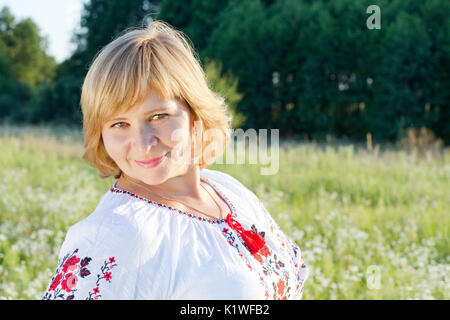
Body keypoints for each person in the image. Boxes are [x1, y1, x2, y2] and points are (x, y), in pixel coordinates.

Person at [42, 20, 309, 300]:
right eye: (119, 124)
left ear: (195, 113)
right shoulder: (117, 234)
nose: (144, 144)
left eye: (158, 116)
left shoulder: (227, 190)